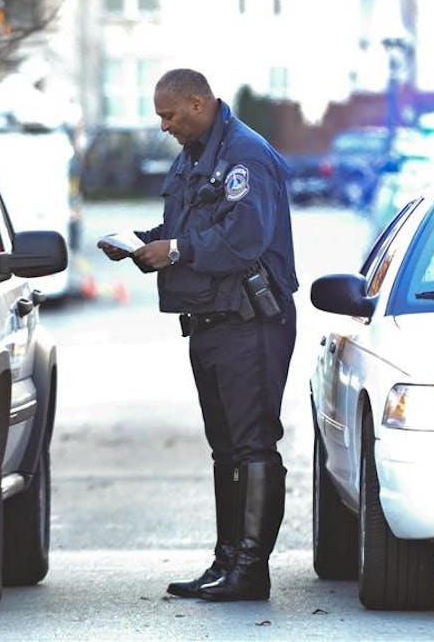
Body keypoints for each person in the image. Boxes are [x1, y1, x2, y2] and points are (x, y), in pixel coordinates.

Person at [97, 68, 298, 602]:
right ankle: (225, 562)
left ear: (197, 101)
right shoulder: (195, 155)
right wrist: (141, 243)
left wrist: (177, 252)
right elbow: (186, 230)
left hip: (250, 321)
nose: (164, 126)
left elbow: (245, 239)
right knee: (226, 448)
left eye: (169, 115)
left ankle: (251, 571)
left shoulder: (244, 156)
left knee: (254, 444)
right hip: (211, 320)